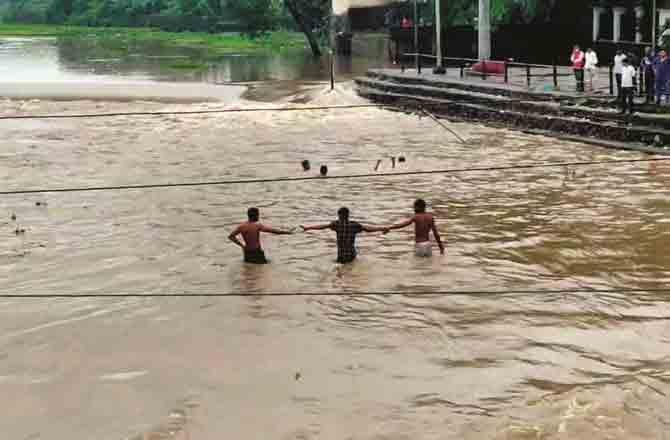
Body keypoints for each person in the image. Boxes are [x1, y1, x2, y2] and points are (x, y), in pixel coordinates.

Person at [301, 207, 388, 264]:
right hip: (352, 255)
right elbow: (369, 229)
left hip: (341, 255)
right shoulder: (354, 225)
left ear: (340, 215)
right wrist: (382, 228)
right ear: (348, 215)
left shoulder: (336, 224)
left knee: (340, 274)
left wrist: (308, 228)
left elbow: (322, 226)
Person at [229, 207, 293, 264]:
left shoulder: (242, 226)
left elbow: (231, 236)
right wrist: (288, 232)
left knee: (249, 270)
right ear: (255, 216)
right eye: (258, 215)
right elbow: (274, 231)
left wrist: (242, 245)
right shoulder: (257, 226)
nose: (258, 217)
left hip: (247, 252)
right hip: (257, 252)